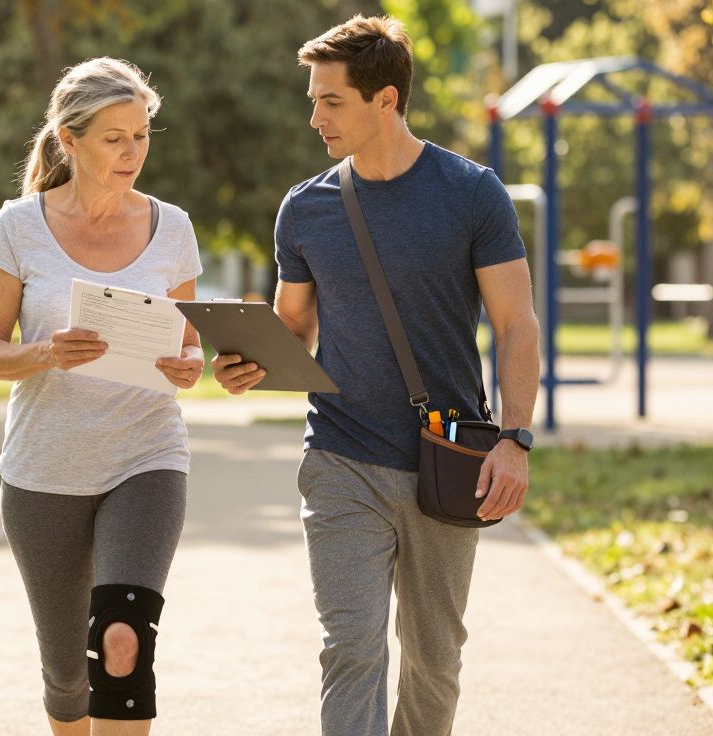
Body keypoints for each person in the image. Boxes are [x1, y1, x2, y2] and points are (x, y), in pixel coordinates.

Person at [212, 15, 540, 736]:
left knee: (434, 660)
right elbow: (292, 326)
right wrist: (245, 359)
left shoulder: (471, 193)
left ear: (385, 100)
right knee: (351, 650)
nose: (313, 117)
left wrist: (515, 439)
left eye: (330, 101)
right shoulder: (306, 209)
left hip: (448, 461)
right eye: (312, 98)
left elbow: (517, 324)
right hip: (340, 456)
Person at [0, 57, 204, 736]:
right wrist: (45, 353)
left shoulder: (174, 228)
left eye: (142, 135)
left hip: (146, 457)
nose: (134, 152)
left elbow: (187, 348)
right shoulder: (18, 227)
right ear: (68, 140)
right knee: (69, 676)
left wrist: (190, 366)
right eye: (115, 138)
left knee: (123, 645)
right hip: (45, 469)